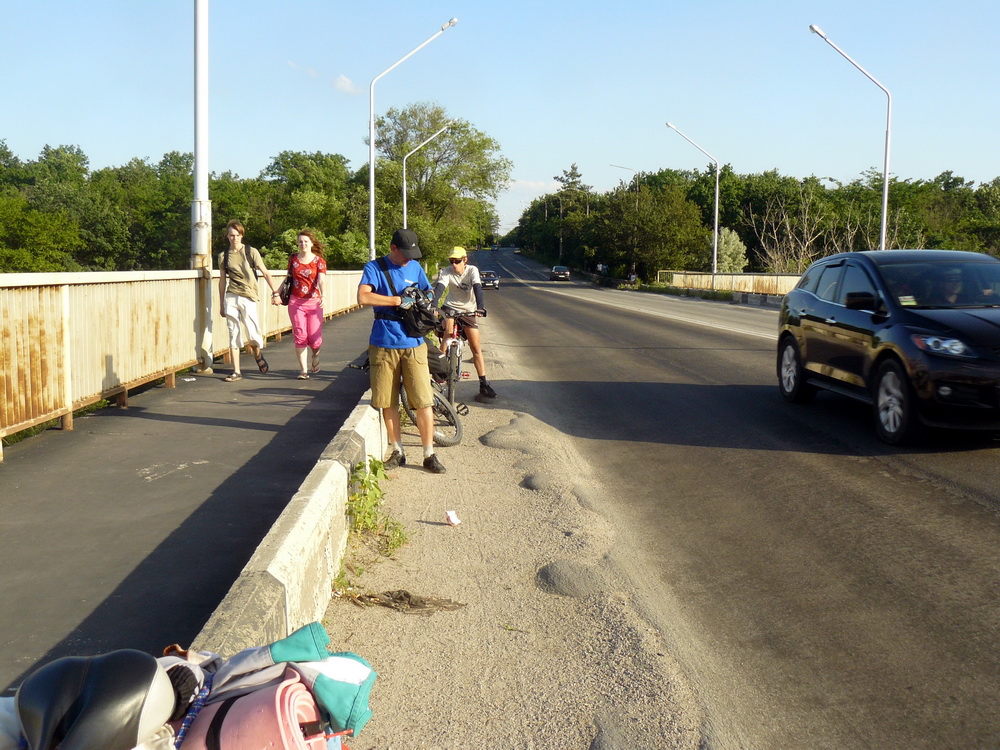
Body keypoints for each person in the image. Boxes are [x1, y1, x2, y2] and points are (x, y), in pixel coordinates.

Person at [357, 228, 446, 474]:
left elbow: (429, 290)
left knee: (423, 401)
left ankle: (429, 454)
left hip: (414, 343)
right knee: (388, 402)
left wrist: (423, 298)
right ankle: (398, 451)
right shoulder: (374, 267)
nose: (408, 259)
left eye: (412, 254)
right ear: (393, 248)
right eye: (404, 254)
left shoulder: (415, 267)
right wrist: (396, 301)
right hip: (384, 343)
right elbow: (363, 297)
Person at [218, 220, 281, 382]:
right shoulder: (224, 256)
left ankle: (257, 354)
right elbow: (222, 280)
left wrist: (275, 293)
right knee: (233, 332)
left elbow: (265, 273)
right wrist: (221, 303)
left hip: (249, 296)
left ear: (242, 235)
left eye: (237, 235)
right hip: (231, 295)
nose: (234, 238)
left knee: (252, 333)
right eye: (231, 235)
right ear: (227, 236)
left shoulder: (251, 252)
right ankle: (236, 371)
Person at [433, 247, 497, 399]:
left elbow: (477, 288)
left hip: (469, 310)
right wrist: (434, 306)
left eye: (457, 261)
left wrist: (480, 307)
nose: (454, 264)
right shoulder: (446, 272)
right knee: (448, 334)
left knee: (476, 347)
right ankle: (440, 372)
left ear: (465, 260)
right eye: (451, 261)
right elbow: (440, 288)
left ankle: (483, 384)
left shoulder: (472, 270)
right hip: (450, 307)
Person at [286, 230, 327, 379]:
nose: (303, 244)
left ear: (311, 243)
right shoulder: (293, 259)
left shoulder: (319, 261)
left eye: (305, 241)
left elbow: (321, 280)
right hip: (296, 302)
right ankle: (303, 370)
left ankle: (315, 355)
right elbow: (288, 279)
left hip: (314, 302)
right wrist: (277, 293)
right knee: (300, 335)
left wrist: (323, 295)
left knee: (314, 340)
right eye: (300, 242)